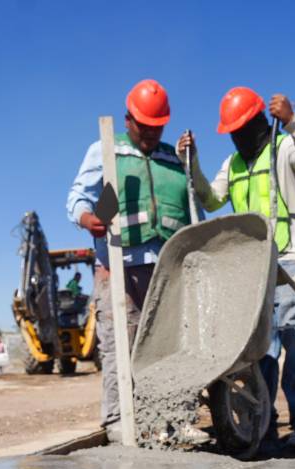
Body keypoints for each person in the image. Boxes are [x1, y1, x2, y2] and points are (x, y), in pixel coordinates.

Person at [178, 87, 295, 450]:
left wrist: (293, 121)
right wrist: (192, 162)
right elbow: (211, 200)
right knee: (262, 346)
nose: (239, 137)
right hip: (254, 264)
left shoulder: (285, 148)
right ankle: (265, 422)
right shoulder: (233, 164)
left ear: (260, 121)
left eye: (244, 128)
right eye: (233, 131)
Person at [66, 79, 194, 440]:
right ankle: (118, 421)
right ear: (128, 120)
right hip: (119, 265)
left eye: (158, 127)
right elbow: (78, 197)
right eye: (145, 127)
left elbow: (193, 204)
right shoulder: (106, 150)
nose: (152, 134)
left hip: (168, 268)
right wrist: (87, 218)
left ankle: (173, 420)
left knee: (170, 349)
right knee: (121, 345)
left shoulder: (172, 158)